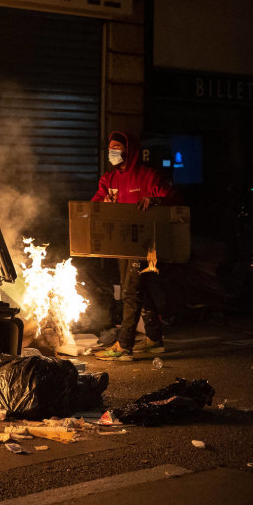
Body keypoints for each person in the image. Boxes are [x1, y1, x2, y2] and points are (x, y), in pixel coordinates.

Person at [92, 131, 179, 362]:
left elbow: (172, 197)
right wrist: (104, 202)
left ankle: (124, 345)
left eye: (117, 148)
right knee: (140, 290)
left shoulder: (148, 175)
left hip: (145, 246)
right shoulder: (108, 179)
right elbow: (95, 204)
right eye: (110, 148)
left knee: (131, 292)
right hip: (120, 245)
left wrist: (155, 199)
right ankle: (154, 339)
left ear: (128, 151)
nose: (112, 153)